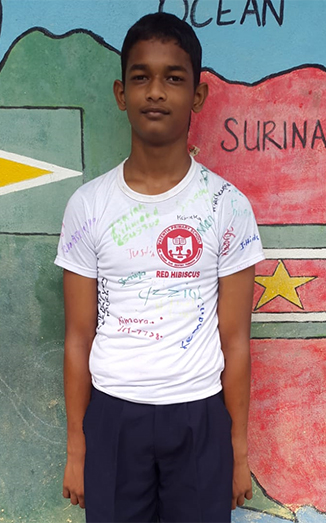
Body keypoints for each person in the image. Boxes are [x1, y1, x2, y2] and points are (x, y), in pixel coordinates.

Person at [54, 11, 265, 522]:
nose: (155, 92)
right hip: (113, 417)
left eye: (173, 78)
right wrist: (78, 449)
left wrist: (237, 452)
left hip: (199, 416)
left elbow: (236, 340)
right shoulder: (89, 206)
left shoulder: (226, 206)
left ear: (197, 96)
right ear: (120, 93)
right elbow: (78, 338)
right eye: (140, 77)